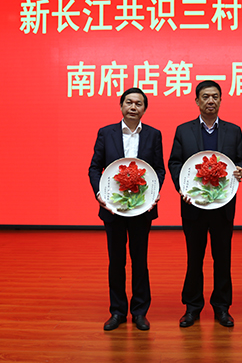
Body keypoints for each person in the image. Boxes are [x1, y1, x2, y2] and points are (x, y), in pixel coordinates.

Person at [168, 80, 242, 328]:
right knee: (194, 258)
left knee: (222, 258)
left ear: (221, 100)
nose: (210, 101)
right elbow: (174, 163)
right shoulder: (183, 130)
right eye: (205, 97)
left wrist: (240, 169)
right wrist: (182, 188)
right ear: (197, 101)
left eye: (215, 96)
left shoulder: (234, 130)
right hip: (193, 205)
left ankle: (222, 308)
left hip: (223, 205)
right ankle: (192, 308)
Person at [88, 88, 165, 331]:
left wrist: (154, 192)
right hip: (113, 209)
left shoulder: (154, 134)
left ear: (144, 109)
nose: (133, 107)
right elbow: (94, 168)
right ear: (121, 106)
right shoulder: (106, 133)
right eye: (129, 102)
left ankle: (140, 312)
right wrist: (100, 195)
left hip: (142, 208)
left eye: (138, 104)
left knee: (140, 261)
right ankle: (118, 311)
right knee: (116, 261)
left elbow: (159, 169)